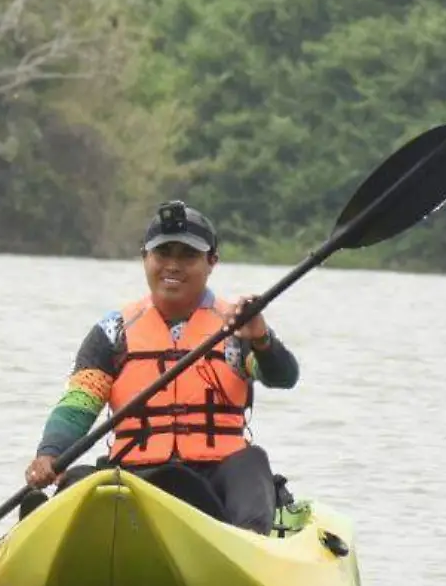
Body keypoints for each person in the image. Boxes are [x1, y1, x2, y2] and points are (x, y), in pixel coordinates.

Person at [21, 200, 300, 533]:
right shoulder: (114, 331)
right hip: (136, 477)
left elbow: (282, 376)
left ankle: (251, 541)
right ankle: (48, 527)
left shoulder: (237, 328)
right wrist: (50, 452)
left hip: (215, 477)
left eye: (187, 256)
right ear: (145, 258)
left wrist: (262, 339)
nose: (173, 265)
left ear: (212, 262)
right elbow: (79, 404)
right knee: (81, 479)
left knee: (253, 462)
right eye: (163, 253)